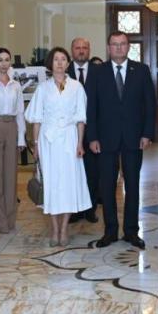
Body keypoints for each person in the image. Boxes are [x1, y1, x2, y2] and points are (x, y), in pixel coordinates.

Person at [86, 31, 155, 249]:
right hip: (105, 139)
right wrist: (92, 137)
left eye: (122, 44)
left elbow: (150, 104)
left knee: (132, 185)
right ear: (108, 48)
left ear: (128, 47)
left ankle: (131, 231)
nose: (118, 48)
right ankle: (110, 231)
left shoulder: (141, 70)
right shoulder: (97, 72)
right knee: (107, 187)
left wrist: (147, 133)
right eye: (114, 44)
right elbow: (91, 107)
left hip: (134, 138)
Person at [25, 47, 90, 247]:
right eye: (56, 59)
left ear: (68, 63)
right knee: (51, 183)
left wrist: (80, 143)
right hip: (49, 140)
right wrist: (36, 145)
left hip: (70, 139)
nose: (60, 63)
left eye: (63, 59)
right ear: (50, 64)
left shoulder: (77, 87)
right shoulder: (43, 88)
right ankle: (54, 229)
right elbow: (36, 119)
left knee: (69, 183)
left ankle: (64, 230)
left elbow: (81, 118)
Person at [0, 47, 26, 233]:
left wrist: (21, 138)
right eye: (0, 60)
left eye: (7, 60)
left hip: (11, 127)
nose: (3, 63)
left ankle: (8, 220)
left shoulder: (16, 85)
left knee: (10, 176)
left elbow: (20, 112)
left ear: (10, 62)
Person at [67, 37, 99, 224]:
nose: (81, 51)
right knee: (73, 172)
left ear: (89, 50)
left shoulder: (99, 71)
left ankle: (90, 209)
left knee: (93, 172)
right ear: (72, 50)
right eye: (77, 48)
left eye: (84, 48)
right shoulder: (64, 71)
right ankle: (74, 209)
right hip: (70, 132)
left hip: (94, 131)